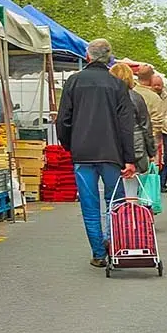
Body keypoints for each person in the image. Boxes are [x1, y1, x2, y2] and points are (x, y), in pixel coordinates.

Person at [56, 39, 135, 268]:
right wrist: (128, 158)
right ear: (109, 58)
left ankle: (99, 252)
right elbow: (125, 125)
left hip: (83, 153)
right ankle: (113, 242)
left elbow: (63, 120)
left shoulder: (73, 82)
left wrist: (70, 144)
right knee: (114, 202)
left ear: (87, 56)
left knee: (90, 207)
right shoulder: (118, 86)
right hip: (112, 153)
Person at [111, 63, 156, 177]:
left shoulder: (107, 97)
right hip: (136, 147)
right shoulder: (136, 97)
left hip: (113, 148)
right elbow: (145, 126)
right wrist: (152, 152)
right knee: (135, 186)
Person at [134, 65, 163, 169]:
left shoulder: (130, 92)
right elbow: (158, 124)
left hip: (129, 142)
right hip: (147, 143)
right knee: (148, 177)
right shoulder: (154, 97)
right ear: (151, 78)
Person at [152, 75, 167, 194]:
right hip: (152, 132)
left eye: (159, 85)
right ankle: (152, 183)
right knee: (153, 159)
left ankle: (162, 184)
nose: (157, 87)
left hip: (164, 133)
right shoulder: (149, 96)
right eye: (154, 85)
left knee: (164, 159)